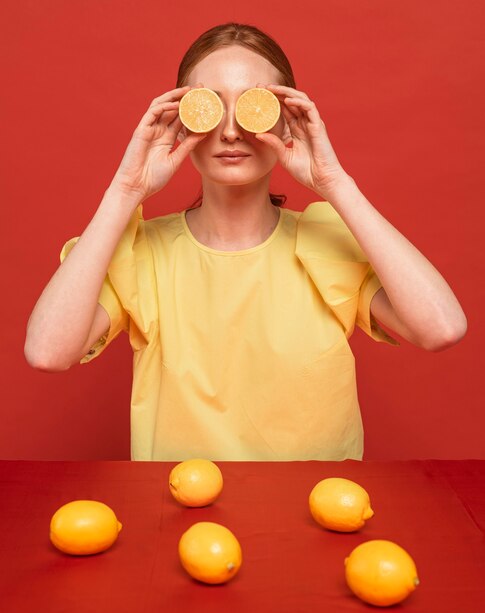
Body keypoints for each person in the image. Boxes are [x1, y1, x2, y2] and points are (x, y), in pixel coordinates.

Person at [24, 23, 467, 462]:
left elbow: (441, 328)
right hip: (183, 513)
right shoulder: (142, 254)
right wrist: (125, 190)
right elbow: (47, 352)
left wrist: (334, 183)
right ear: (180, 122)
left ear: (288, 119)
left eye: (255, 107)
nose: (232, 132)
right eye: (210, 107)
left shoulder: (325, 244)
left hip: (318, 511)